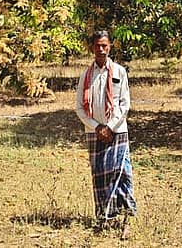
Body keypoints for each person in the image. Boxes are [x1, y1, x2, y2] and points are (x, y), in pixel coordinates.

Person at [74, 30, 136, 237]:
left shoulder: (119, 72)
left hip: (117, 132)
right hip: (94, 133)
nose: (101, 49)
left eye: (104, 45)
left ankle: (126, 219)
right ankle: (103, 218)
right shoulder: (86, 75)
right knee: (99, 176)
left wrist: (109, 126)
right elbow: (79, 108)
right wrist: (97, 127)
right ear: (92, 47)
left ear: (110, 47)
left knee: (121, 174)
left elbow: (124, 104)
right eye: (97, 45)